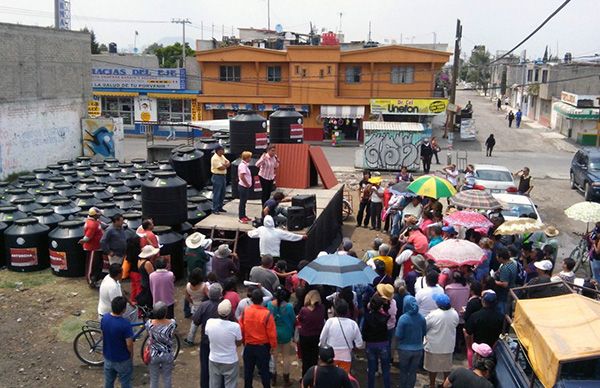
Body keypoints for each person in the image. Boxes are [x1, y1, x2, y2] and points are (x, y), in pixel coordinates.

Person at [239, 288, 278, 388]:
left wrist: (244, 341)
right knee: (264, 371)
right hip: (263, 347)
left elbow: (241, 328)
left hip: (249, 346)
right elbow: (272, 333)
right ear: (262, 300)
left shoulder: (246, 312)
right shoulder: (267, 314)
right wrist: (273, 347)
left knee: (248, 371)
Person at [319, 299, 364, 373]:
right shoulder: (353, 324)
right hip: (346, 357)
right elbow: (359, 344)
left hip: (331, 356)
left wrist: (322, 346)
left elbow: (322, 339)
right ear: (347, 310)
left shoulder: (330, 322)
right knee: (343, 379)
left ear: (335, 310)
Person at [205, 299, 242, 388]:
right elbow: (239, 342)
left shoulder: (210, 322)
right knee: (231, 385)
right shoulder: (235, 327)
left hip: (214, 359)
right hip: (230, 360)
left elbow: (207, 334)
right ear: (229, 313)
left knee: (214, 384)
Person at [424, 293, 459, 388]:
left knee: (432, 368)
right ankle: (445, 384)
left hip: (434, 346)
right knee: (446, 368)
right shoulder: (454, 314)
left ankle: (432, 385)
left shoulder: (433, 314)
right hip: (448, 346)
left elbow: (425, 326)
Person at [193, 283, 224, 388]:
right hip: (220, 342)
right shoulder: (224, 306)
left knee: (205, 367)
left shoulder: (204, 305)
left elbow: (196, 321)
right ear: (220, 294)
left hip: (206, 340)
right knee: (221, 367)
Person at [101, 296, 134, 388]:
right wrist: (131, 356)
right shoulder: (125, 324)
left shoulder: (105, 318)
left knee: (108, 383)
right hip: (122, 360)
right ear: (124, 310)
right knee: (125, 383)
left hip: (108, 358)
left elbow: (103, 335)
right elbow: (129, 344)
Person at [267, 286, 296, 386]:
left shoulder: (270, 305)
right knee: (286, 357)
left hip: (273, 334)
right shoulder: (289, 307)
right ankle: (286, 379)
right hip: (286, 334)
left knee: (273, 357)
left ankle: (273, 379)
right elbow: (293, 320)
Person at [395, 295, 426, 388]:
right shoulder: (421, 318)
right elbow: (424, 332)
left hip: (404, 349)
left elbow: (398, 335)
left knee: (403, 371)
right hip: (418, 349)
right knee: (412, 372)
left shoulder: (403, 318)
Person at [362, 294, 391, 388]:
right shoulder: (385, 317)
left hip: (371, 345)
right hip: (383, 344)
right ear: (381, 306)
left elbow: (364, 333)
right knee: (386, 369)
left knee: (371, 369)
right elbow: (387, 307)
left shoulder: (367, 317)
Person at [145, 301, 176, 388]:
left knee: (154, 379)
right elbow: (172, 336)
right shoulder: (172, 324)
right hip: (167, 354)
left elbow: (149, 335)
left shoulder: (149, 324)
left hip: (153, 354)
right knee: (167, 378)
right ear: (165, 312)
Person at [297, 290, 326, 376]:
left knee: (305, 359)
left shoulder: (304, 310)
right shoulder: (322, 308)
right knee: (314, 358)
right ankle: (314, 376)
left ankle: (305, 377)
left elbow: (299, 320)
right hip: (317, 336)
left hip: (305, 337)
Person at [79, 207, 104, 288]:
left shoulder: (95, 221)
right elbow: (88, 237)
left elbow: (103, 225)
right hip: (92, 248)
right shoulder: (92, 224)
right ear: (95, 215)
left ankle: (96, 279)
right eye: (98, 215)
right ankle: (91, 281)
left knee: (98, 264)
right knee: (92, 265)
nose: (99, 216)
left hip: (98, 247)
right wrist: (83, 240)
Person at [493, 248, 517, 315]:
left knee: (502, 310)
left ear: (501, 258)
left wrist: (494, 281)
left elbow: (505, 284)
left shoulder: (505, 268)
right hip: (511, 288)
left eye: (497, 256)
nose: (496, 258)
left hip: (504, 293)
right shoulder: (513, 263)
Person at [184, 268, 205, 345]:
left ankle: (190, 339)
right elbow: (208, 295)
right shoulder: (203, 286)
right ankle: (205, 339)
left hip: (195, 307)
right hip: (203, 307)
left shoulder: (188, 286)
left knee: (194, 324)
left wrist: (193, 302)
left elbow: (187, 297)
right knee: (205, 324)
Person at [211, 145, 230, 214]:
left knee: (222, 192)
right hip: (217, 177)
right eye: (222, 150)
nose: (224, 151)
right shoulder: (215, 158)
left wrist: (225, 165)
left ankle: (220, 207)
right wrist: (225, 165)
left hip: (223, 176)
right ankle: (214, 209)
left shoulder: (222, 156)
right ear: (218, 151)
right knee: (217, 193)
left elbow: (228, 162)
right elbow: (221, 168)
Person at [136, 245, 156, 310]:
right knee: (150, 301)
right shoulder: (147, 263)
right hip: (148, 284)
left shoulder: (139, 261)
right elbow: (152, 275)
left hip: (143, 283)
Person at [238, 151, 253, 223]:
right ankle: (241, 217)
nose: (250, 158)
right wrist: (246, 184)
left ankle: (244, 215)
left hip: (245, 186)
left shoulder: (245, 165)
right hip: (243, 186)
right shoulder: (242, 165)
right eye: (250, 157)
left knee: (244, 202)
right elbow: (242, 176)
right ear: (246, 158)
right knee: (242, 202)